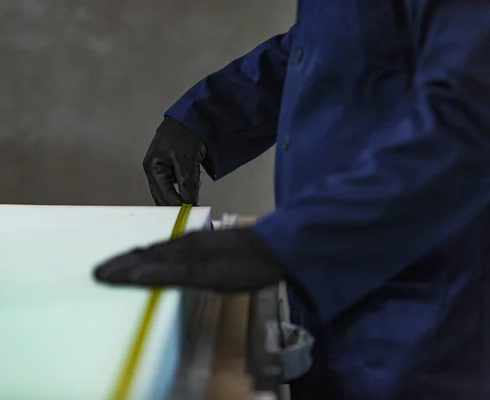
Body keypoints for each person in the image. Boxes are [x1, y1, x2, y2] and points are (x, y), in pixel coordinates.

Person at [94, 1, 490, 398]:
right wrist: (207, 116)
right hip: (337, 301)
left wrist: (284, 246)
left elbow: (469, 123)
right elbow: (341, 41)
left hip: (427, 321)